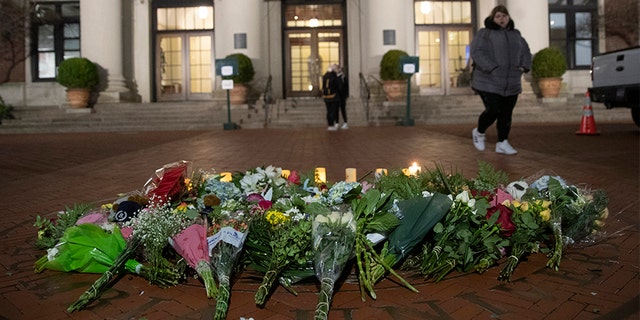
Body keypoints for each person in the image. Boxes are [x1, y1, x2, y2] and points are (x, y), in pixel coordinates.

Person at [470, 5, 532, 155]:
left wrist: (523, 67)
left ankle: (502, 142)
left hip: (511, 82)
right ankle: (479, 132)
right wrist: (491, 67)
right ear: (493, 18)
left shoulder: (516, 35)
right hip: (488, 81)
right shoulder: (485, 34)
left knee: (506, 113)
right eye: (498, 16)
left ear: (508, 18)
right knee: (494, 110)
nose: (501, 19)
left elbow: (525, 52)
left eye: (504, 16)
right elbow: (477, 51)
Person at [322, 64, 340, 131]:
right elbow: (338, 86)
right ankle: (332, 124)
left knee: (329, 111)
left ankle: (329, 125)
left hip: (326, 97)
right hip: (334, 96)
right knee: (333, 111)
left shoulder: (325, 75)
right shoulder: (334, 75)